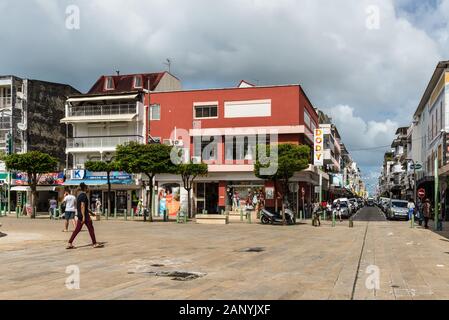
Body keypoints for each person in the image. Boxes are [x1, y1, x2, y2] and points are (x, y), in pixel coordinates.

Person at [66, 183, 103, 249]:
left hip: (81, 215)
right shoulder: (83, 196)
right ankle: (94, 243)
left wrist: (91, 213)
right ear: (85, 189)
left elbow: (84, 207)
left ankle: (69, 243)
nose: (88, 189)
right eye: (87, 187)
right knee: (91, 228)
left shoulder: (80, 195)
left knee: (77, 230)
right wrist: (84, 216)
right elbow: (82, 206)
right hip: (84, 216)